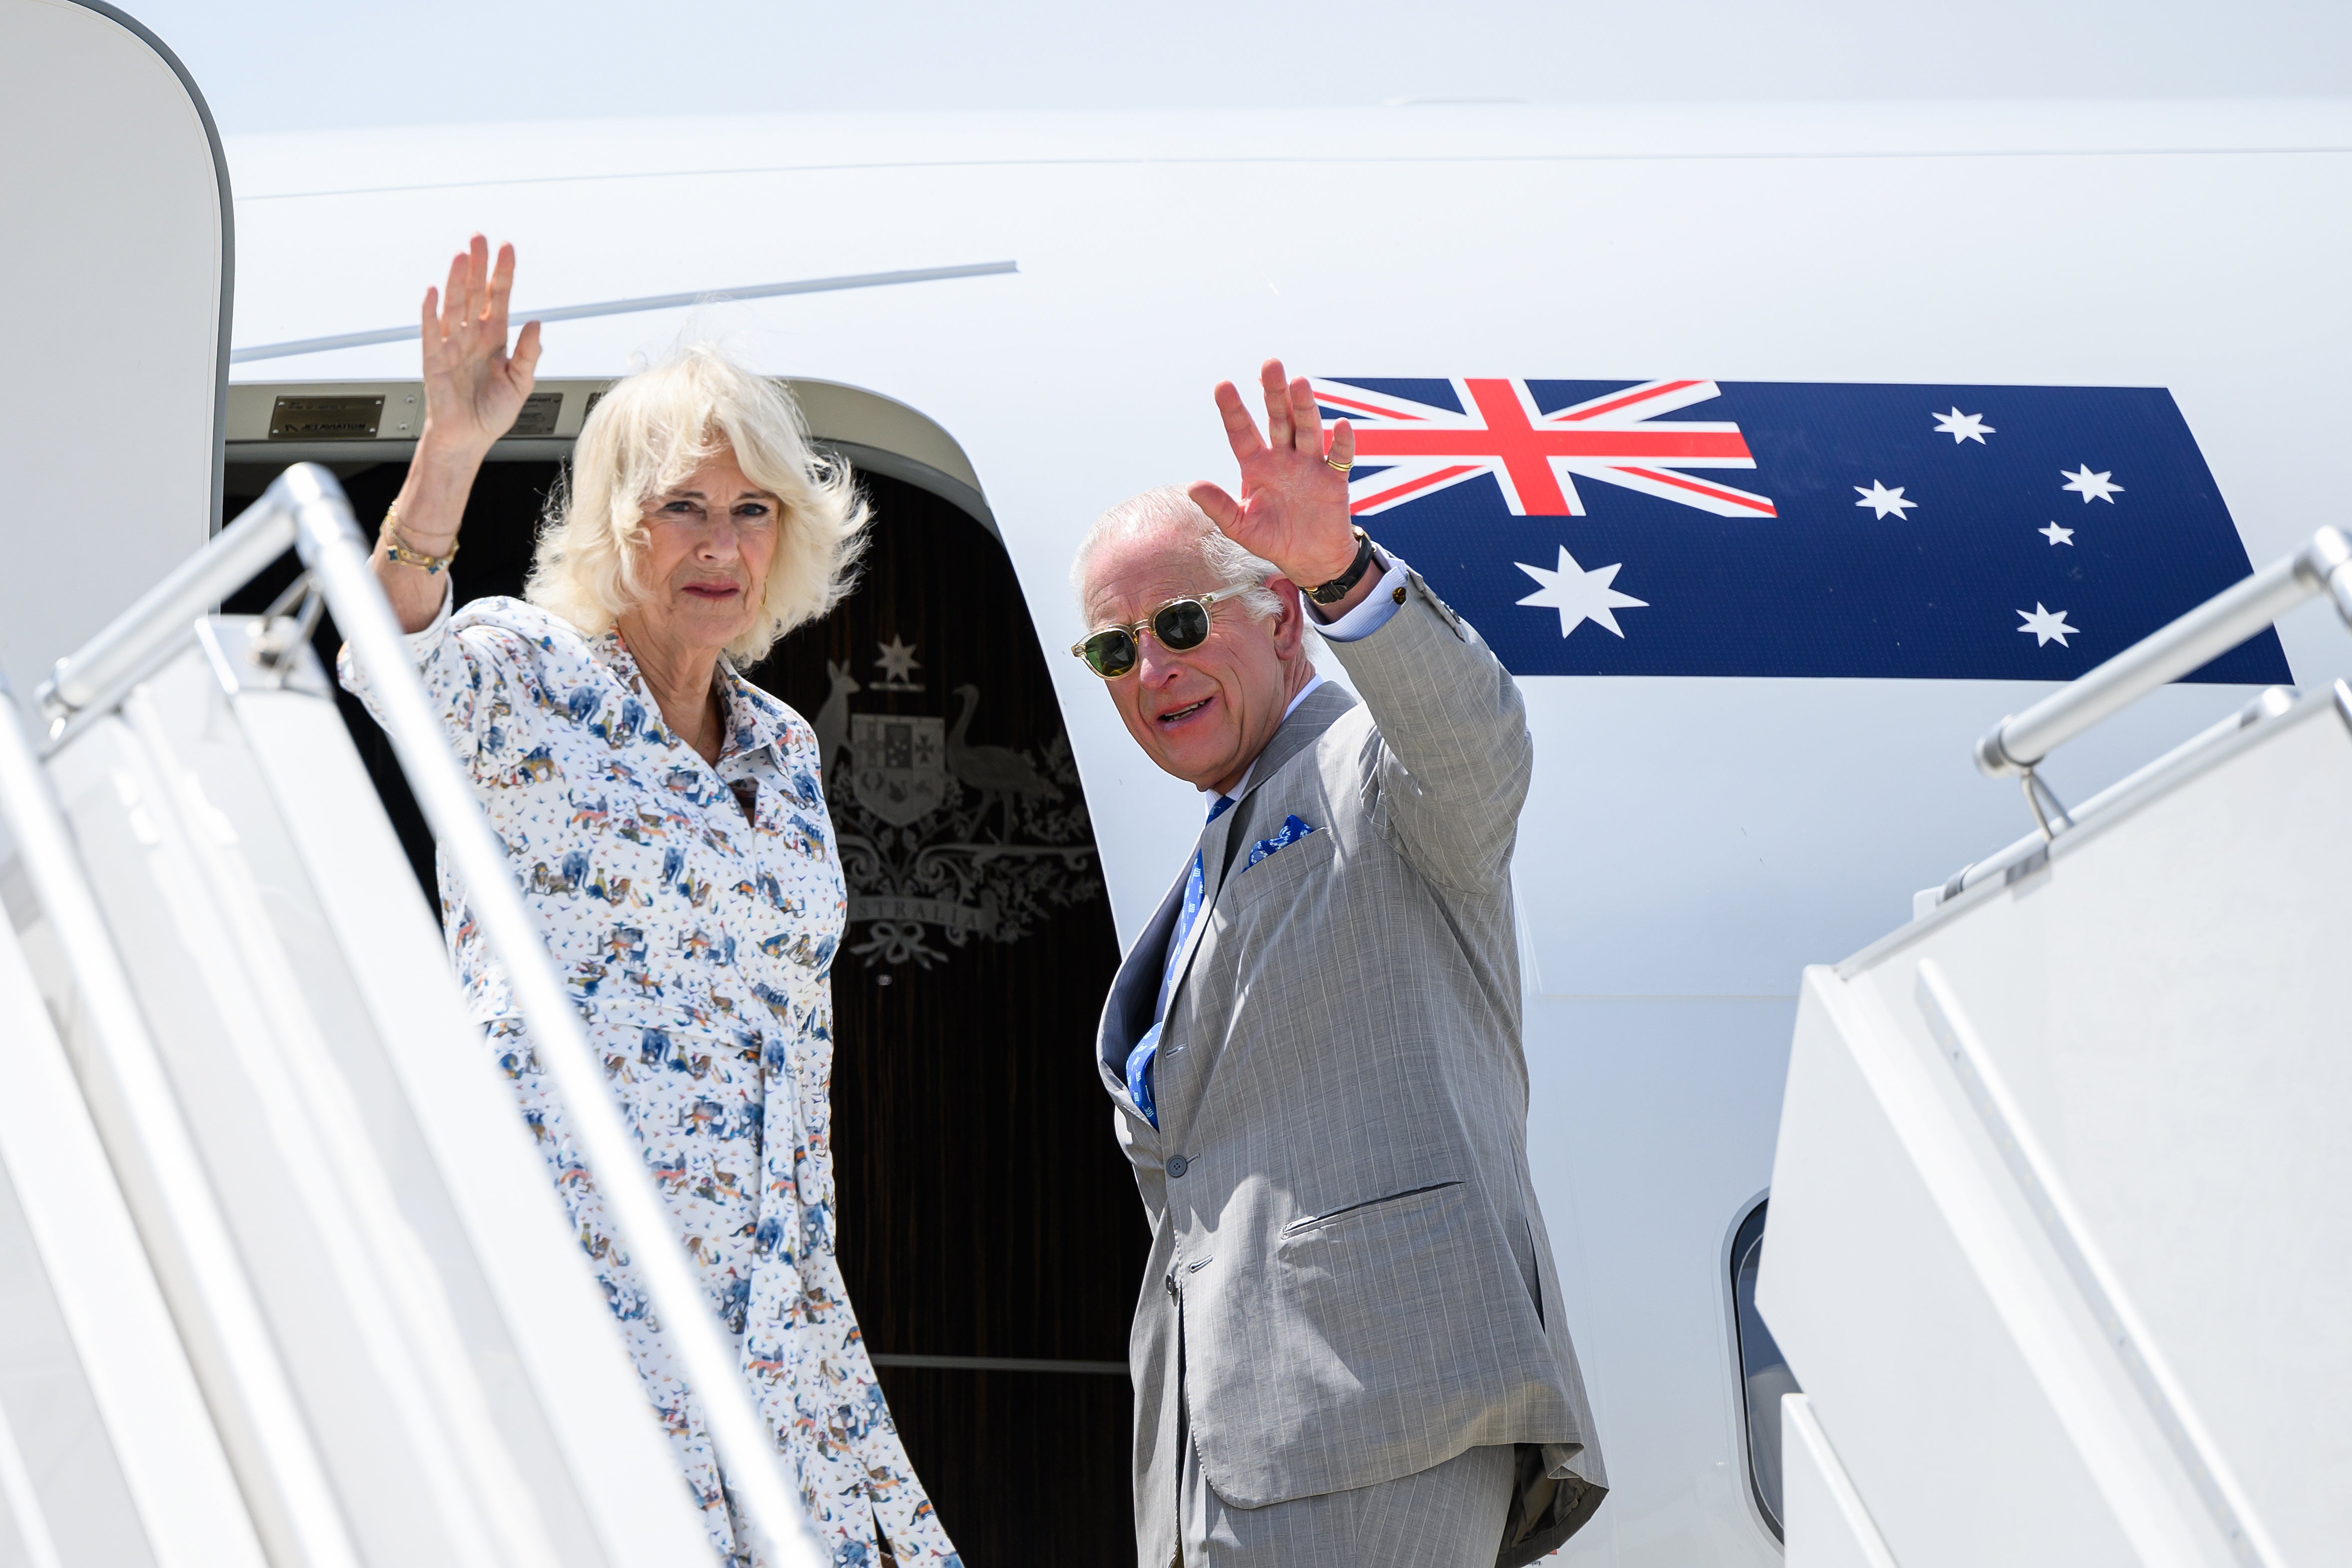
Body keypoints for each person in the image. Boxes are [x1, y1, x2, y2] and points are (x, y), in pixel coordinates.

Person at [339, 236, 959, 1568]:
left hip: (775, 1307)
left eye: (750, 512)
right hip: (578, 1291)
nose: (719, 545)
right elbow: (382, 652)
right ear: (617, 517)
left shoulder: (786, 749)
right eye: (684, 505)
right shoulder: (525, 675)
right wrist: (449, 451)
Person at [1069, 361, 1608, 1567]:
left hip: (1377, 1415)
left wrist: (1348, 575)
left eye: (1180, 622)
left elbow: (1473, 752)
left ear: (1276, 616)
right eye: (1115, 648)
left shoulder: (1365, 764)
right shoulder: (1223, 837)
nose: (1151, 669)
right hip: (1231, 1455)